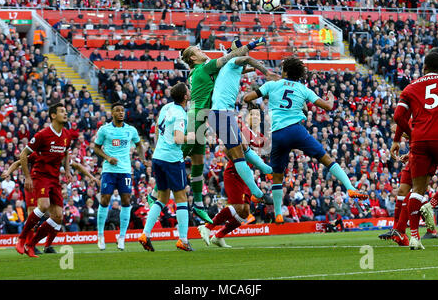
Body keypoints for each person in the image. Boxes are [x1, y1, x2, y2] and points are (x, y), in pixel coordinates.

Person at [149, 36, 268, 224]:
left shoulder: (200, 70)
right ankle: (155, 192)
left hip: (202, 118)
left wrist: (251, 68)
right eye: (198, 51)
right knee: (176, 155)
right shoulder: (205, 67)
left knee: (197, 161)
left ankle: (198, 205)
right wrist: (252, 44)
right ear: (194, 59)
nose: (202, 51)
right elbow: (231, 57)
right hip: (197, 117)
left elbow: (230, 69)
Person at [243, 56, 368, 225]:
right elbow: (327, 106)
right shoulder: (303, 89)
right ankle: (351, 188)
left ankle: (278, 214)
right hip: (296, 131)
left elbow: (247, 97)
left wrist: (260, 103)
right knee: (326, 158)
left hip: (278, 134)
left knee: (278, 175)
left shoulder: (271, 85)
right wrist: (330, 98)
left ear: (285, 71)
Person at [207, 40, 279, 205]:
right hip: (222, 113)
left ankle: (268, 170)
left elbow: (244, 66)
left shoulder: (230, 67)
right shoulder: (233, 61)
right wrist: (266, 72)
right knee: (239, 154)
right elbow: (245, 60)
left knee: (244, 147)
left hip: (223, 113)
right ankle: (257, 192)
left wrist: (254, 66)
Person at [393, 51, 438, 250]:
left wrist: (410, 133)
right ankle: (432, 203)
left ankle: (414, 237)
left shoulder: (411, 87)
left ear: (424, 68)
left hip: (419, 140)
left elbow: (398, 116)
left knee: (416, 190)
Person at [138, 82, 193, 252]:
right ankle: (183, 239)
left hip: (158, 156)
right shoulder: (180, 114)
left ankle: (145, 234)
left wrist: (158, 147)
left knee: (162, 198)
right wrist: (190, 137)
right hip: (171, 159)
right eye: (188, 90)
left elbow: (156, 130)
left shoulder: (166, 107)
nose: (190, 92)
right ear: (185, 96)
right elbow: (178, 139)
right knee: (181, 197)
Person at [15, 103, 72, 258]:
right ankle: (21, 239)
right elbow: (23, 155)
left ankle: (31, 244)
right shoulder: (42, 135)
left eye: (66, 111)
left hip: (55, 178)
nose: (65, 114)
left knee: (58, 216)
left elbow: (66, 153)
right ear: (53, 115)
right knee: (44, 205)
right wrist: (27, 177)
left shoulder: (67, 135)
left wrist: (67, 170)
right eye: (62, 111)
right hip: (40, 175)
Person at [94, 101, 146, 251]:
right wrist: (107, 157)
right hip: (109, 169)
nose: (121, 113)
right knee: (104, 199)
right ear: (112, 113)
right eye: (117, 110)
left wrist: (142, 159)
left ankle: (122, 237)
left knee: (126, 200)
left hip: (124, 170)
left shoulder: (131, 130)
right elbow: (96, 148)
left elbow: (139, 144)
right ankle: (100, 235)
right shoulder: (105, 130)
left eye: (122, 110)